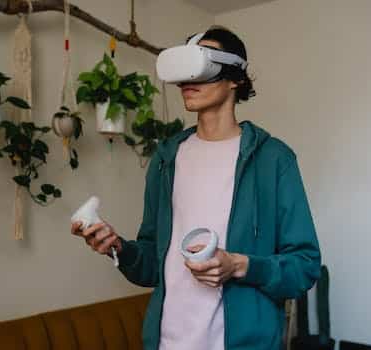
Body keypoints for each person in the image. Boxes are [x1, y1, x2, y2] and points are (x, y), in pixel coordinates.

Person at [71, 26, 321, 350]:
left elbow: (304, 266)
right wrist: (117, 246)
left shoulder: (274, 160)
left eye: (200, 66)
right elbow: (151, 266)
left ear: (236, 78)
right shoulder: (166, 158)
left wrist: (239, 265)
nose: (187, 81)